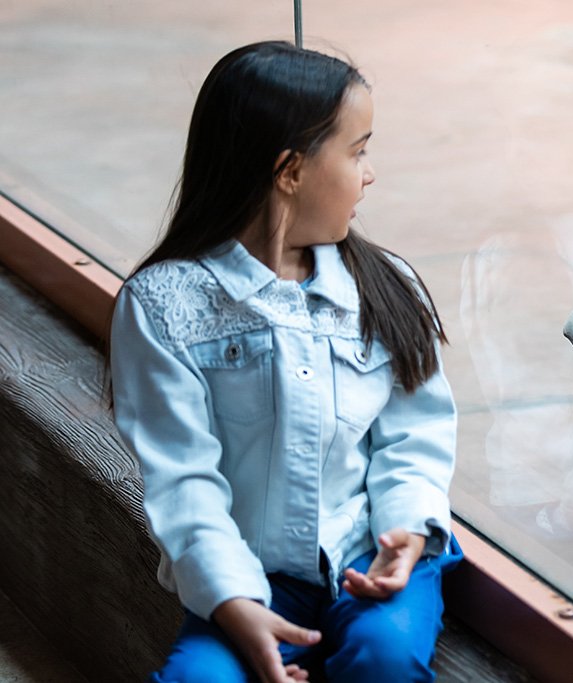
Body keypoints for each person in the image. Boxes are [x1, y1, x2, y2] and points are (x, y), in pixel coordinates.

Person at [110, 41, 461, 683]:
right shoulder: (162, 307)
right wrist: (234, 603)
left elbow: (417, 436)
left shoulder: (387, 287)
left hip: (369, 551)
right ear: (290, 171)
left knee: (383, 656)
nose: (370, 173)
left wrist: (407, 531)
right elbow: (181, 479)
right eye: (358, 152)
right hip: (248, 572)